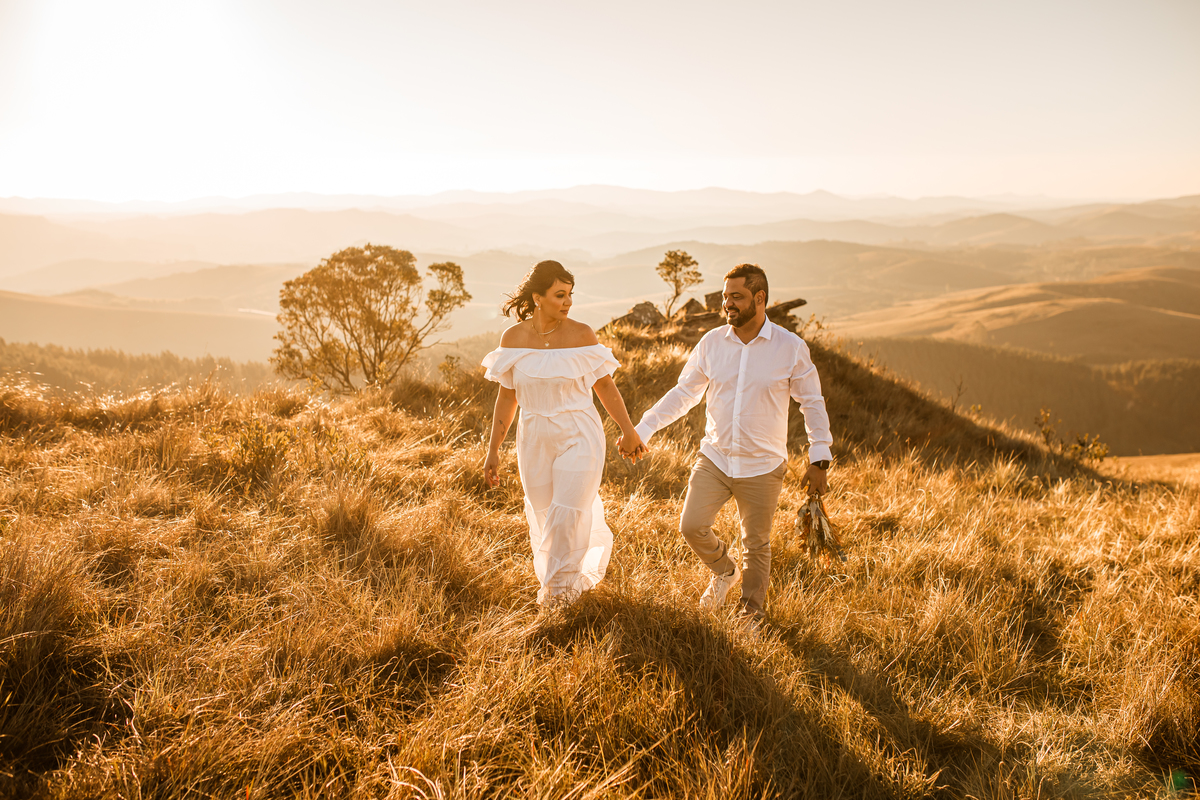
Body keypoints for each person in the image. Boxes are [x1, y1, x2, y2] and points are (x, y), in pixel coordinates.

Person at [624, 263, 833, 629]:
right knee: (691, 526)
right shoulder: (712, 343)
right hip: (715, 457)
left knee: (757, 544)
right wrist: (643, 429)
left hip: (762, 465)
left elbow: (811, 402)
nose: (728, 304)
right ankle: (724, 571)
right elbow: (683, 394)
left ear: (760, 298)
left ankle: (751, 615)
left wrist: (820, 457)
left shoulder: (790, 347)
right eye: (725, 297)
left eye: (736, 297)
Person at [482, 260, 648, 608]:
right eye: (560, 295)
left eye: (570, 294)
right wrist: (493, 450)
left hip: (580, 435)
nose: (568, 302)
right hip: (534, 439)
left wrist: (628, 430)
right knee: (545, 516)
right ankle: (560, 584)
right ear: (537, 297)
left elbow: (604, 385)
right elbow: (507, 396)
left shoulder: (582, 335)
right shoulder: (513, 340)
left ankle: (558, 599)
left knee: (567, 514)